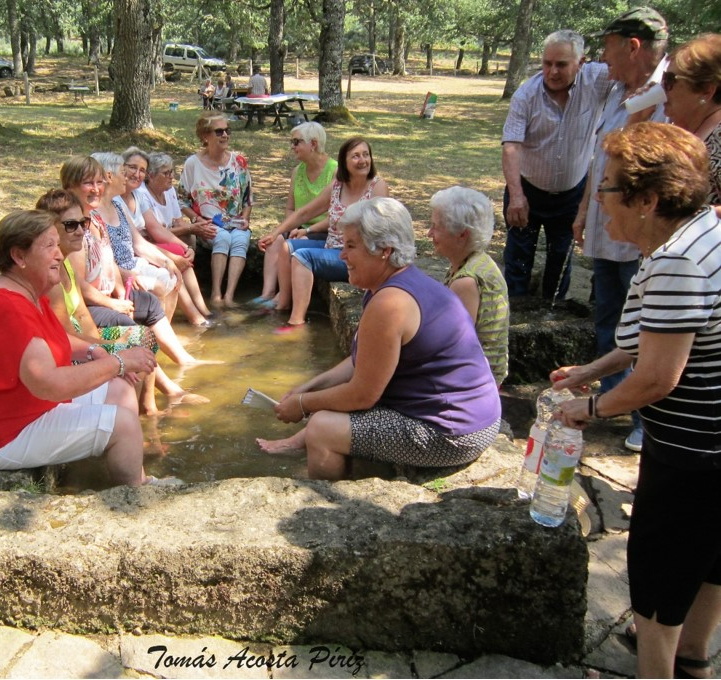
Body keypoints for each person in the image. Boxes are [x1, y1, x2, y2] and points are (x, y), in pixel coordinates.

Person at [551, 123, 721, 680]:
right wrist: (592, 370)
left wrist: (591, 408)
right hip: (708, 450)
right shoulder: (694, 235)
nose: (598, 201)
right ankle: (693, 661)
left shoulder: (675, 261)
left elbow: (656, 378)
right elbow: (647, 337)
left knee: (657, 582)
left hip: (695, 455)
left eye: (607, 189)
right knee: (707, 565)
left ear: (647, 200)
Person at [257, 197, 501, 476]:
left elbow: (362, 395)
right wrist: (309, 387)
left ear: (384, 250)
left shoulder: (390, 303)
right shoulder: (393, 285)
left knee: (322, 427)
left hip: (454, 434)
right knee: (325, 409)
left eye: (350, 246)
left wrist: (302, 405)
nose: (341, 255)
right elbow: (358, 361)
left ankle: (330, 499)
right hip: (476, 418)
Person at [0, 209, 166, 486]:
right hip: (3, 433)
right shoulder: (7, 306)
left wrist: (95, 352)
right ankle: (133, 498)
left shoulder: (25, 291)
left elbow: (53, 339)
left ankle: (128, 477)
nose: (59, 254)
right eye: (49, 246)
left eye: (58, 243)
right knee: (123, 425)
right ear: (19, 256)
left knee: (120, 389)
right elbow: (49, 384)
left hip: (27, 409)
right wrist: (119, 362)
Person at [572, 7, 669, 453]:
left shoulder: (667, 94)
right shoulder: (617, 92)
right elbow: (602, 158)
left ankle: (645, 419)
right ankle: (613, 401)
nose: (603, 58)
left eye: (609, 48)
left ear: (633, 46)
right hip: (606, 226)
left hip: (642, 235)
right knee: (610, 316)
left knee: (649, 325)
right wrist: (582, 213)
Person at [36, 188, 206, 414]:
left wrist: (107, 349)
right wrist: (110, 350)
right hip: (66, 356)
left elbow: (82, 315)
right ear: (50, 229)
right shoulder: (52, 276)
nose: (80, 231)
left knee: (143, 335)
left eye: (83, 223)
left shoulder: (65, 264)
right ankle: (130, 419)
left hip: (85, 342)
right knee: (133, 342)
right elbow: (66, 338)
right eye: (70, 225)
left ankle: (147, 409)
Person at [58, 155, 202, 369]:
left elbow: (111, 261)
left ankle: (182, 361)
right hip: (90, 303)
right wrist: (114, 303)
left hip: (108, 293)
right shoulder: (76, 228)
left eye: (99, 182)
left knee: (150, 303)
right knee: (134, 329)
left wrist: (119, 292)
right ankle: (158, 384)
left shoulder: (95, 217)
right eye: (89, 183)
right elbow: (78, 286)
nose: (97, 188)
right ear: (70, 186)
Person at [502, 30, 610, 300]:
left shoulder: (598, 80)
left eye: (561, 64)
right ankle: (514, 315)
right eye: (547, 63)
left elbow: (632, 75)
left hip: (571, 193)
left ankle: (553, 315)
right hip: (527, 190)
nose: (552, 71)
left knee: (560, 258)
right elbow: (511, 146)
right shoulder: (525, 95)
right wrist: (516, 195)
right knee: (518, 258)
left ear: (581, 62)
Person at [258, 137, 388, 331]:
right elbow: (306, 212)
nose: (363, 160)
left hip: (356, 256)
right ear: (344, 162)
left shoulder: (377, 186)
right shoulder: (338, 184)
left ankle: (296, 322)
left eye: (365, 155)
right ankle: (282, 305)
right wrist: (276, 233)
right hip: (331, 246)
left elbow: (379, 230)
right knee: (286, 247)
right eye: (356, 156)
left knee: (302, 257)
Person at [119, 146, 212, 327]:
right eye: (132, 168)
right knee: (173, 266)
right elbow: (140, 240)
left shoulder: (137, 195)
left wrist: (187, 248)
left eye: (142, 170)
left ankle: (201, 311)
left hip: (144, 246)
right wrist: (170, 259)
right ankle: (195, 317)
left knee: (180, 255)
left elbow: (156, 229)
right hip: (135, 252)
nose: (137, 174)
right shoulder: (117, 199)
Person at [428, 186, 509, 386]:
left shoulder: (466, 282)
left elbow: (451, 347)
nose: (429, 233)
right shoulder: (478, 260)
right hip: (479, 377)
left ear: (462, 235)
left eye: (436, 227)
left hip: (473, 385)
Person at [252, 122, 337, 308]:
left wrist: (307, 231)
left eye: (296, 142)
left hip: (323, 230)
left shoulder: (335, 172)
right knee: (274, 242)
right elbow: (291, 208)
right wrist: (290, 228)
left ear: (313, 144)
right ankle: (267, 293)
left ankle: (282, 298)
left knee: (292, 246)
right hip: (298, 227)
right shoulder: (297, 172)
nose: (292, 147)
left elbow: (336, 216)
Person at [178, 112, 253, 307]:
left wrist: (245, 219)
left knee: (240, 239)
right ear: (205, 136)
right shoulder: (192, 164)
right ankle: (216, 294)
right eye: (219, 131)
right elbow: (181, 200)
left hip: (235, 222)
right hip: (207, 222)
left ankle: (229, 296)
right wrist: (196, 220)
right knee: (222, 237)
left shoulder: (239, 162)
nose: (225, 135)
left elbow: (247, 199)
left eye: (227, 130)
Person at [95, 151, 181, 320]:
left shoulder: (117, 206)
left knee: (170, 275)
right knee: (159, 285)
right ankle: (154, 336)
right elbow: (100, 259)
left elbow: (139, 243)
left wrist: (167, 261)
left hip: (134, 263)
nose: (126, 177)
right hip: (118, 272)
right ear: (109, 177)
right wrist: (123, 274)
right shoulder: (94, 212)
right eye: (123, 172)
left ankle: (163, 335)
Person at [662, 33, 721, 204]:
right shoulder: (680, 130)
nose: (662, 88)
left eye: (669, 81)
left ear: (706, 91)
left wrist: (689, 218)